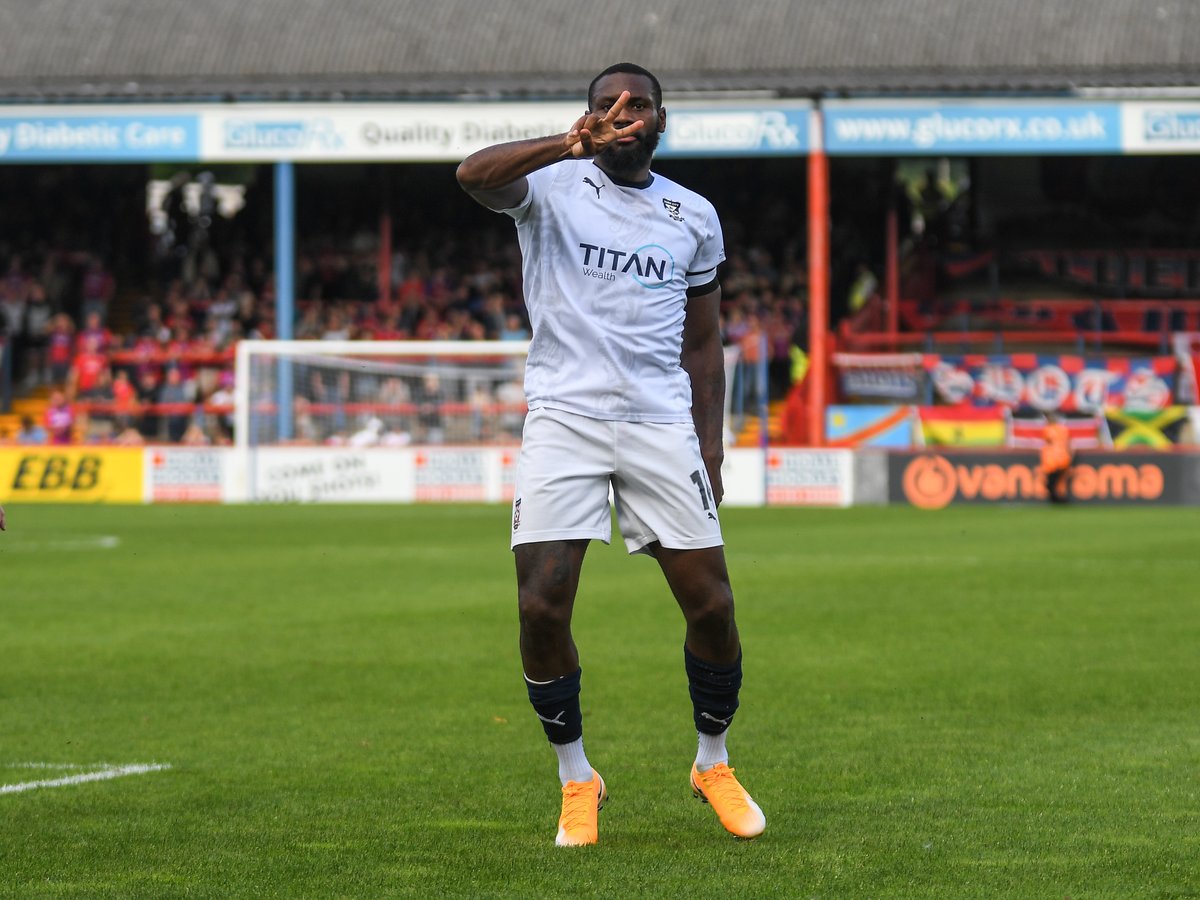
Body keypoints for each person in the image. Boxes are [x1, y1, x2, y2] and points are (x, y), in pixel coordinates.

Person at [457, 62, 765, 847]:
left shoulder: (693, 214)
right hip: (564, 418)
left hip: (661, 424)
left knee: (714, 606)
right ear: (587, 115)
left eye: (637, 107)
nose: (621, 117)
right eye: (605, 106)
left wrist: (712, 448)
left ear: (663, 118)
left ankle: (712, 762)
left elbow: (703, 344)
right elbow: (470, 175)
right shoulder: (551, 188)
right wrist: (566, 143)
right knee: (540, 605)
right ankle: (576, 777)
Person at [1041, 412, 1073, 503]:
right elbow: (1068, 444)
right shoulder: (1063, 429)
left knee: (1051, 483)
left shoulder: (1049, 429)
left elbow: (1048, 439)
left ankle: (1058, 500)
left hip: (1054, 460)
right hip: (1063, 458)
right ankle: (1058, 499)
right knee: (1054, 482)